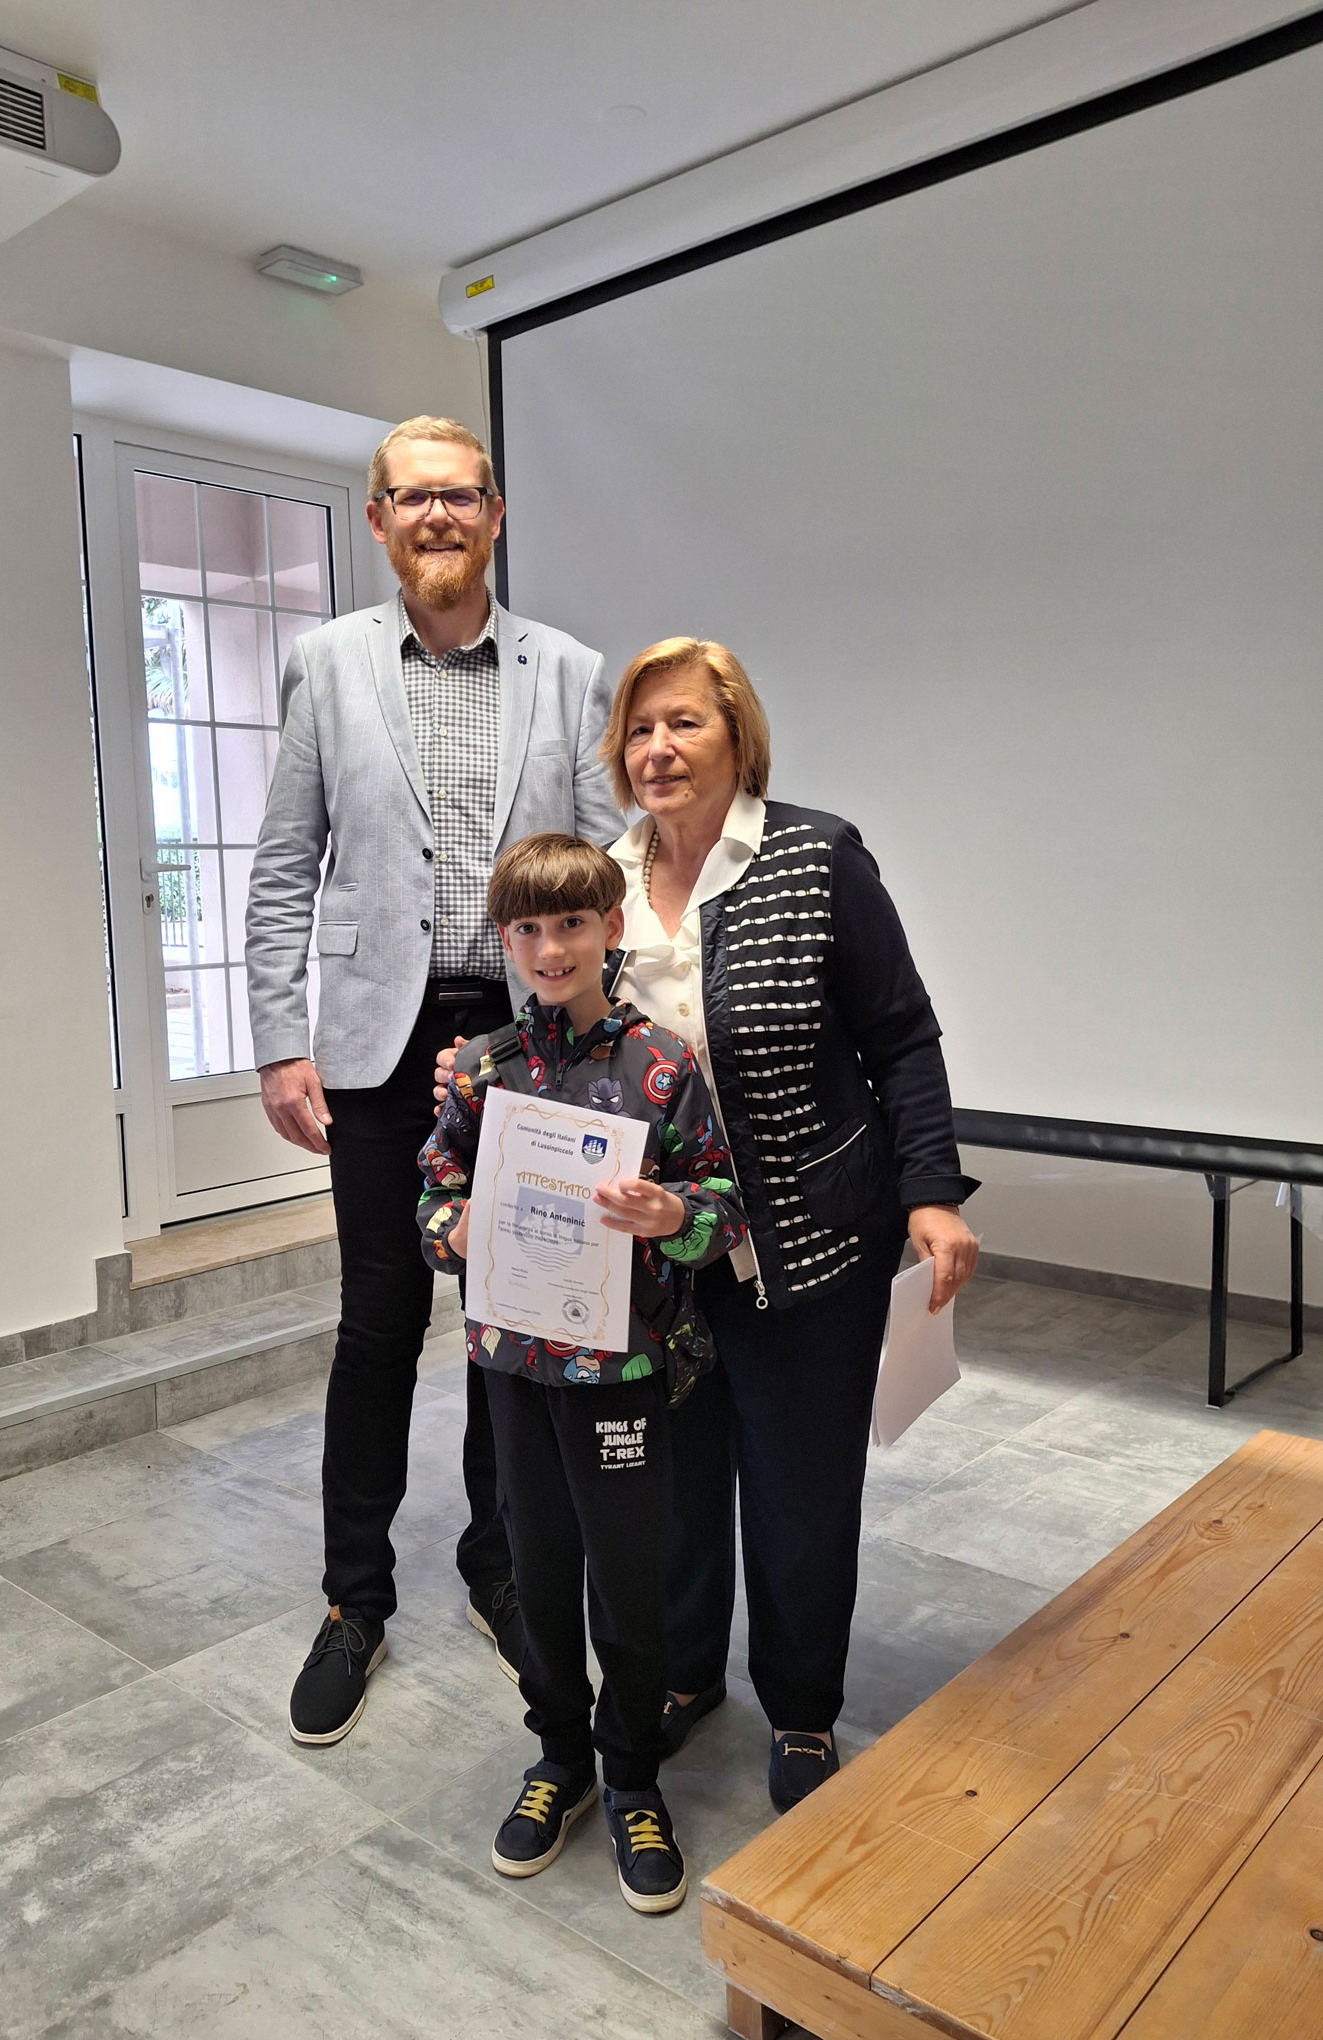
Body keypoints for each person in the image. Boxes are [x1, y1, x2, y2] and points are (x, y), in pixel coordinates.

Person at [245, 417, 622, 1747]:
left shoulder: (567, 672)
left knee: (504, 1319)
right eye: (412, 498)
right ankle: (354, 1599)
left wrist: (606, 1036)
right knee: (379, 1325)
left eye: (458, 495)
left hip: (528, 1045)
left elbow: (606, 871)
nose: (437, 516)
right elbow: (284, 861)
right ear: (378, 520)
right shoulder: (327, 663)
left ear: (494, 513)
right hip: (377, 1048)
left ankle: (496, 1561)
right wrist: (279, 1038)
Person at [596, 637, 980, 1814]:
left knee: (800, 1490)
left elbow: (901, 1036)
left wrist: (929, 1190)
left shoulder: (818, 858)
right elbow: (567, 1045)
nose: (659, 749)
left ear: (738, 736)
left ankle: (802, 1706)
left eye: (684, 723)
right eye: (639, 729)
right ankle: (685, 1675)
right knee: (673, 1481)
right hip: (659, 1252)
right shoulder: (602, 881)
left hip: (809, 1241)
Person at [416, 833, 746, 1913]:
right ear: (504, 940)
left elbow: (720, 1206)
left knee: (628, 1579)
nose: (550, 948)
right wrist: (457, 1229)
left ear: (612, 929)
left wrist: (673, 1214)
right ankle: (561, 1756)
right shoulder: (483, 1070)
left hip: (624, 1374)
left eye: (571, 924)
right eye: (528, 928)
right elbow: (433, 1195)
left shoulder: (663, 1067)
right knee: (541, 1566)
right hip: (514, 1368)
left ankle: (633, 1775)